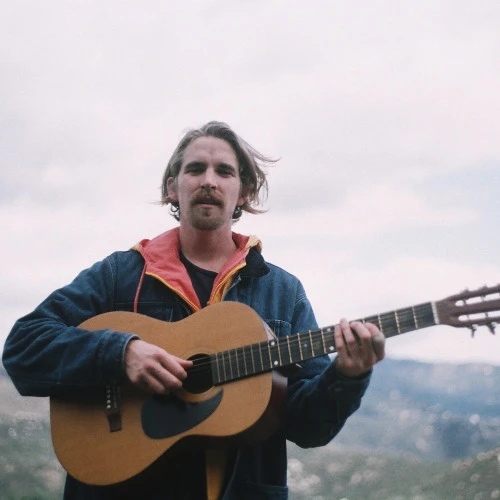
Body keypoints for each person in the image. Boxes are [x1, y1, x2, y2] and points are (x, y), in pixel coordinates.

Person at [2, 121, 385, 499]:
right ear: (173, 187)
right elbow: (23, 347)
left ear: (244, 192)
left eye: (224, 171)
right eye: (196, 169)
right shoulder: (120, 275)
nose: (209, 181)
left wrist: (348, 376)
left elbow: (309, 428)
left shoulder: (283, 294)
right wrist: (121, 353)